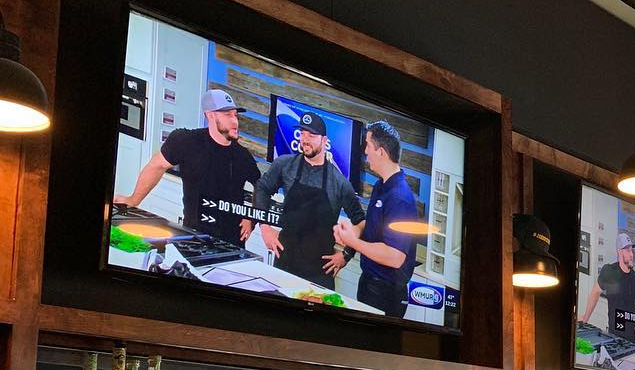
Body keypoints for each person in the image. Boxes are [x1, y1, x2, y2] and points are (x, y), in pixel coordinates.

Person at [114, 88, 260, 245]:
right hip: (193, 237)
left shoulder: (242, 155)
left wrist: (250, 217)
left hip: (232, 243)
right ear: (210, 115)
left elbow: (262, 187)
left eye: (235, 115)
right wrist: (134, 199)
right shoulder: (186, 141)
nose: (235, 121)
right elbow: (156, 166)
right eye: (227, 115)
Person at [252, 110, 365, 288]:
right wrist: (264, 227)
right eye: (303, 133)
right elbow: (262, 188)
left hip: (319, 272)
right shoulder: (285, 165)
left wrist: (346, 256)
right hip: (285, 262)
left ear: (325, 141)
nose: (305, 139)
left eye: (312, 135)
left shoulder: (339, 182)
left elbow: (360, 221)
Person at [333, 120, 420, 317]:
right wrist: (350, 231)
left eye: (368, 145)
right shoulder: (381, 185)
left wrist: (353, 242)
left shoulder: (400, 197)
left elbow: (395, 256)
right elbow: (370, 227)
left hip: (386, 293)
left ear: (380, 152)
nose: (365, 151)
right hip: (369, 282)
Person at [580, 231, 635, 341]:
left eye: (632, 250)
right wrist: (586, 317)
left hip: (632, 338)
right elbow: (595, 293)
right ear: (620, 252)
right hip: (613, 335)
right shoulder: (609, 271)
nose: (631, 254)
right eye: (628, 250)